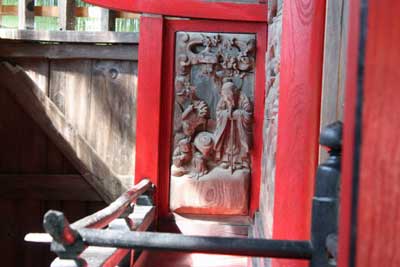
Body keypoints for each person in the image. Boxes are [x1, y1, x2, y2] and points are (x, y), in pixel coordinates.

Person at [213, 81, 252, 171]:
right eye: (224, 96)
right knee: (227, 142)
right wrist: (226, 114)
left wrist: (238, 114)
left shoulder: (243, 98)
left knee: (238, 142)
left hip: (239, 127)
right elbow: (218, 111)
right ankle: (226, 160)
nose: (227, 98)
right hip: (226, 126)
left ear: (233, 92)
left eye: (228, 95)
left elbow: (248, 114)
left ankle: (240, 161)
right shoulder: (223, 99)